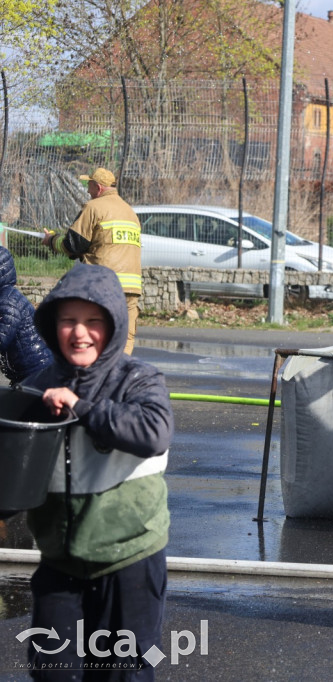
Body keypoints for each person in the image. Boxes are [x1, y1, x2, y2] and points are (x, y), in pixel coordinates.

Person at [20, 263, 174, 680]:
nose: (80, 332)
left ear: (114, 326)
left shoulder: (138, 380)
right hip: (61, 561)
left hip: (129, 560)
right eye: (68, 320)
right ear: (53, 326)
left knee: (126, 672)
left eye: (93, 321)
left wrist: (80, 407)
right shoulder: (37, 386)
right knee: (52, 670)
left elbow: (153, 432)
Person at [43, 167, 143, 354]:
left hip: (103, 285)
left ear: (98, 187)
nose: (87, 191)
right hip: (131, 289)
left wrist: (51, 240)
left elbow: (72, 246)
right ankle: (117, 376)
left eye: (89, 185)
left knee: (94, 334)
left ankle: (94, 378)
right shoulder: (130, 213)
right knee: (124, 337)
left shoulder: (94, 207)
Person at [0, 245, 52, 384]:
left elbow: (2, 337)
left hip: (34, 369)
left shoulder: (8, 302)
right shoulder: (7, 296)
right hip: (27, 369)